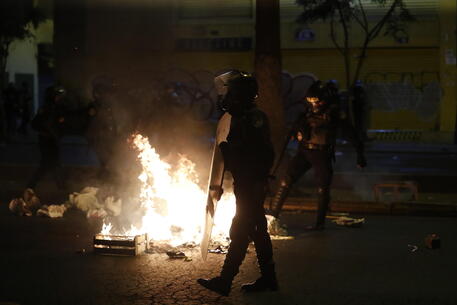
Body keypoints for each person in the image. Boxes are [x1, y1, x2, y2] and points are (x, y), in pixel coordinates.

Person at [197, 71, 278, 296]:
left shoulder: (254, 118)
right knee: (258, 230)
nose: (226, 98)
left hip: (252, 184)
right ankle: (269, 279)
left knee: (240, 230)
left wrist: (228, 152)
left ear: (240, 95)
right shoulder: (241, 118)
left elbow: (261, 154)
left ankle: (225, 281)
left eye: (230, 94)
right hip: (247, 183)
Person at [270, 80, 367, 230]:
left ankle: (319, 224)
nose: (314, 105)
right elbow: (299, 127)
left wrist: (360, 154)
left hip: (322, 153)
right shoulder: (307, 112)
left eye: (317, 102)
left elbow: (351, 133)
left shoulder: (334, 114)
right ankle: (272, 217)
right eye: (311, 101)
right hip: (304, 151)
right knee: (286, 181)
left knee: (323, 188)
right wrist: (297, 134)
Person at [27, 85, 68, 191]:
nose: (59, 98)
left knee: (53, 165)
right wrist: (46, 131)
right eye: (57, 96)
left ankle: (61, 187)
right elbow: (34, 124)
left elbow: (60, 124)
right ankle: (31, 186)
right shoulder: (45, 109)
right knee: (48, 165)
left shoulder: (57, 108)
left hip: (53, 140)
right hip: (46, 141)